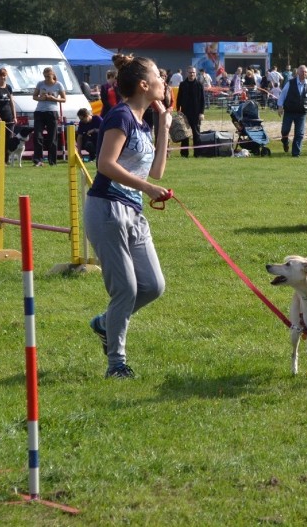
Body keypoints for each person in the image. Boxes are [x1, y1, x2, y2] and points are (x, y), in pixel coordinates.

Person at [84, 53, 171, 380]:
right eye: (158, 77)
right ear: (144, 85)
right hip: (106, 209)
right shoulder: (120, 116)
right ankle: (116, 364)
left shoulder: (144, 122)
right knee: (126, 290)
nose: (164, 80)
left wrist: (163, 125)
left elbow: (157, 171)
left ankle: (106, 323)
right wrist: (147, 189)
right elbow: (105, 164)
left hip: (132, 212)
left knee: (153, 285)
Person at [276, 64, 307, 157]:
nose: (303, 73)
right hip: (289, 111)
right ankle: (285, 141)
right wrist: (280, 107)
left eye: (305, 72)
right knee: (285, 130)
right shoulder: (290, 82)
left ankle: (296, 153)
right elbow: (282, 95)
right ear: (297, 72)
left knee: (299, 133)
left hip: (302, 112)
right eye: (302, 71)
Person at [32, 67, 66, 166]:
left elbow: (64, 99)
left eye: (48, 76)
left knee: (52, 137)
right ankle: (38, 160)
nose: (46, 78)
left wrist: (53, 98)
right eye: (45, 76)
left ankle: (52, 161)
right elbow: (34, 96)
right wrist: (40, 98)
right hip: (39, 111)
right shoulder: (40, 84)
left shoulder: (58, 85)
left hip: (52, 112)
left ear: (53, 75)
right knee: (37, 136)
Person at [175, 65, 205, 158]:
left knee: (196, 134)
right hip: (184, 113)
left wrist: (202, 113)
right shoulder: (183, 84)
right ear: (186, 73)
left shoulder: (199, 84)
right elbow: (179, 98)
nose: (192, 74)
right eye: (190, 72)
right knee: (184, 135)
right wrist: (178, 110)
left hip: (196, 114)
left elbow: (202, 100)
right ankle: (184, 154)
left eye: (193, 72)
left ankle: (198, 154)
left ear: (195, 73)